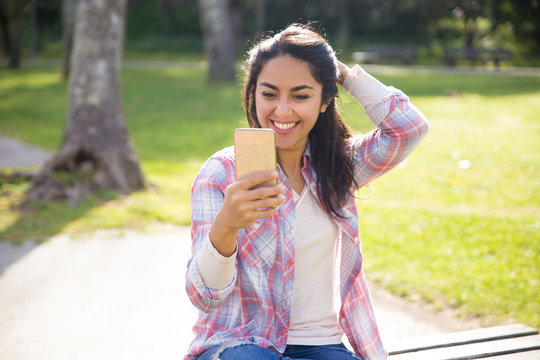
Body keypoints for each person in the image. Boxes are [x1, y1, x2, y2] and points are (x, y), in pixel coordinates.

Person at [185, 24, 429, 360]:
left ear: (325, 99)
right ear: (252, 93)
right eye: (269, 94)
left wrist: (341, 73)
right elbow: (204, 297)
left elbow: (409, 128)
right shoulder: (221, 173)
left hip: (320, 344)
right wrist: (225, 227)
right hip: (241, 343)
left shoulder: (339, 166)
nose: (282, 111)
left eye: (300, 95)